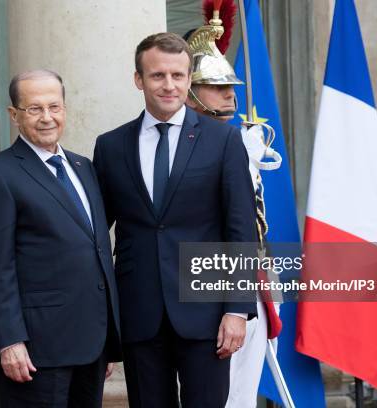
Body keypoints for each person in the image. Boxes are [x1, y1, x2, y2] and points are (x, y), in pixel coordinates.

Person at [93, 33, 257, 407]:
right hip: (139, 312)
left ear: (188, 80)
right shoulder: (111, 146)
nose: (169, 85)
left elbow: (241, 228)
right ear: (139, 80)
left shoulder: (223, 142)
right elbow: (97, 238)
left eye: (178, 76)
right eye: (158, 76)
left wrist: (236, 309)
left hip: (208, 312)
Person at [0, 70, 121, 408]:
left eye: (54, 106)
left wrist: (108, 339)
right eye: (34, 109)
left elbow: (96, 250)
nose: (47, 117)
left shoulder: (83, 167)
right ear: (14, 115)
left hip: (91, 345)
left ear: (65, 109)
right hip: (37, 349)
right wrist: (9, 341)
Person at [185, 3, 284, 406]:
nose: (230, 94)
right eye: (217, 87)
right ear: (190, 91)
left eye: (231, 87)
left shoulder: (244, 140)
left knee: (241, 393)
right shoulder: (188, 147)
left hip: (251, 281)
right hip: (204, 287)